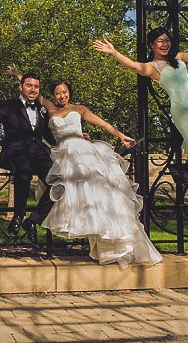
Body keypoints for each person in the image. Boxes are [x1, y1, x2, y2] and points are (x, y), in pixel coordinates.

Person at [94, 25, 188, 212]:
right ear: (152, 45)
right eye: (160, 41)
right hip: (185, 113)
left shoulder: (176, 59)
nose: (164, 44)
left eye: (167, 40)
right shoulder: (153, 67)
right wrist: (114, 52)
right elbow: (133, 65)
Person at [35, 78, 162, 266]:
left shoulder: (79, 109)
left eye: (64, 92)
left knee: (100, 197)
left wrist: (120, 135)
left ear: (69, 92)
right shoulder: (51, 109)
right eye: (58, 93)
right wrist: (17, 74)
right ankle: (98, 245)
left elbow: (102, 123)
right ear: (54, 95)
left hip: (83, 154)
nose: (62, 96)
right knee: (78, 201)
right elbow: (35, 93)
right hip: (64, 156)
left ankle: (111, 244)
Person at [0, 72, 56, 243]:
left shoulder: (42, 109)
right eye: (29, 85)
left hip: (40, 152)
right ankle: (18, 216)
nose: (33, 89)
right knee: (24, 174)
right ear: (21, 87)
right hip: (16, 151)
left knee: (59, 182)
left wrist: (74, 137)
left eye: (36, 86)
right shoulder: (8, 105)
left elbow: (50, 136)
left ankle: (33, 220)